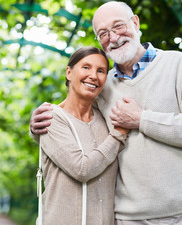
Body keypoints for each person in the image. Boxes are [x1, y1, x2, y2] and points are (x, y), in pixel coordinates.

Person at [30, 1, 182, 225]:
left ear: (135, 22)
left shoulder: (178, 64)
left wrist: (141, 119)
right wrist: (39, 125)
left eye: (118, 26)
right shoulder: (102, 86)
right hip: (132, 219)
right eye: (103, 33)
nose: (112, 37)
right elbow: (75, 120)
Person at [38, 46, 128, 225]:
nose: (93, 75)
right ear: (69, 72)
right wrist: (119, 134)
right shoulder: (51, 117)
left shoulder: (106, 119)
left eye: (101, 71)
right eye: (86, 67)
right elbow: (82, 169)